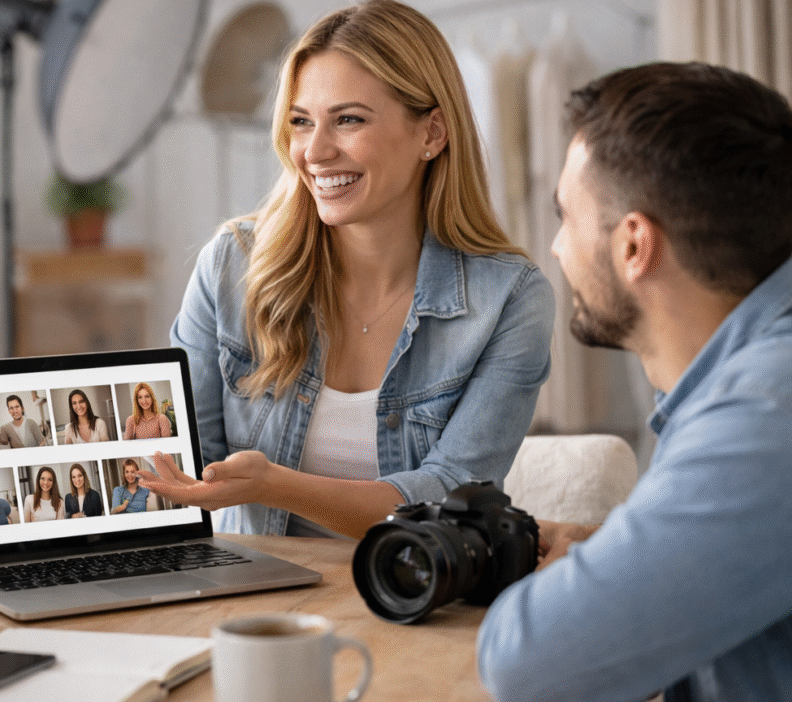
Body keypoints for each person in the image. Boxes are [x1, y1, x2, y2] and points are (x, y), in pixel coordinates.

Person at [141, 0, 553, 538]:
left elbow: (451, 499)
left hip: (413, 598)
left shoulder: (509, 300)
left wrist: (273, 484)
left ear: (432, 134)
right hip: (259, 608)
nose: (315, 151)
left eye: (349, 120)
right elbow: (185, 460)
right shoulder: (231, 267)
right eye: (300, 122)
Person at [477, 62, 792, 702]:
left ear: (634, 245)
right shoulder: (779, 372)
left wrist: (573, 587)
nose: (555, 249)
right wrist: (616, 554)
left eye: (566, 217)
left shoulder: (770, 414)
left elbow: (526, 665)